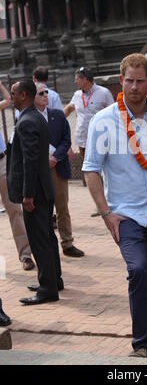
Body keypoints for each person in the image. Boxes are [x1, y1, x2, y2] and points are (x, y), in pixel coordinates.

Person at [82, 53, 147, 360]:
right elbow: (90, 169)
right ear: (121, 80)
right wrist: (105, 213)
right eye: (129, 80)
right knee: (139, 270)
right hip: (125, 212)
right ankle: (141, 343)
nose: (135, 87)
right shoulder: (105, 120)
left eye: (141, 81)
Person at [7, 80, 63, 305]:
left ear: (22, 95)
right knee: (47, 237)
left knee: (40, 239)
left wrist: (27, 194)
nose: (10, 98)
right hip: (42, 189)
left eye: (13, 94)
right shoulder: (34, 117)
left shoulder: (28, 121)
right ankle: (52, 279)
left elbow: (30, 161)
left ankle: (48, 288)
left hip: (35, 193)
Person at [34, 83, 84, 258]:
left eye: (46, 92)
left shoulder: (58, 115)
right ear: (32, 97)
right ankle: (47, 244)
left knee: (62, 206)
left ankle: (67, 242)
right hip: (39, 169)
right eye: (41, 93)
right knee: (44, 209)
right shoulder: (28, 118)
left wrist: (55, 157)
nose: (45, 95)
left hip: (57, 166)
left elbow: (66, 139)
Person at [0, 80, 35, 271]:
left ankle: (26, 254)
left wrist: (0, 85)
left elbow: (7, 99)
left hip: (2, 162)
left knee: (15, 210)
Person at [64, 67, 114, 162]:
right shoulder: (77, 94)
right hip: (82, 139)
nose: (75, 82)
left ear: (85, 79)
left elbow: (114, 113)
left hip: (100, 139)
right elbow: (70, 108)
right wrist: (58, 120)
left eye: (77, 79)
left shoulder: (104, 93)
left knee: (102, 166)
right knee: (86, 167)